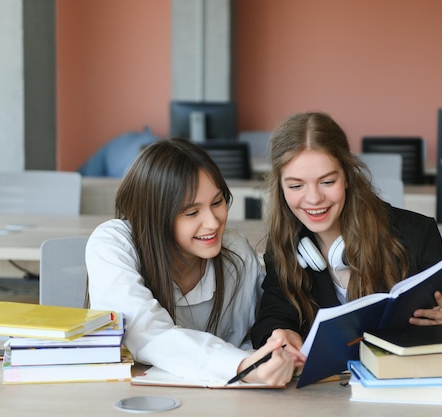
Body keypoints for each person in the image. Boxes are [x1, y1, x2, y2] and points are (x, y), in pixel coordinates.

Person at [250, 112, 442, 357]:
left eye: (327, 182)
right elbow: (269, 321)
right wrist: (280, 336)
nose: (314, 198)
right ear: (281, 187)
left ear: (347, 177)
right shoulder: (286, 244)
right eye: (295, 185)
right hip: (328, 394)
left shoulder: (414, 236)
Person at [86, 138, 303, 385]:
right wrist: (241, 367)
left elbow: (259, 328)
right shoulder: (113, 242)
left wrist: (278, 345)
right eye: (191, 213)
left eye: (217, 202)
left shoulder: (235, 252)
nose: (213, 223)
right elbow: (141, 330)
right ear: (154, 216)